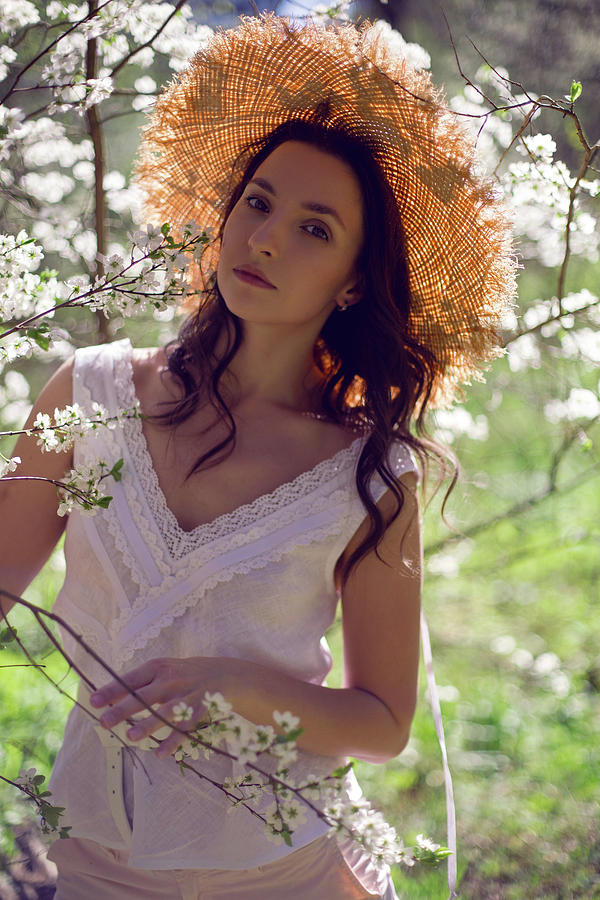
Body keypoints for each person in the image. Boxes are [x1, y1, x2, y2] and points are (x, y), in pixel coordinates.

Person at [0, 13, 516, 899]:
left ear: (354, 279)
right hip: (89, 860)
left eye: (316, 229)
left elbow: (385, 722)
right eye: (259, 201)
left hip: (292, 868)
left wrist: (235, 686)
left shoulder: (370, 475)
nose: (267, 238)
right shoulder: (88, 395)